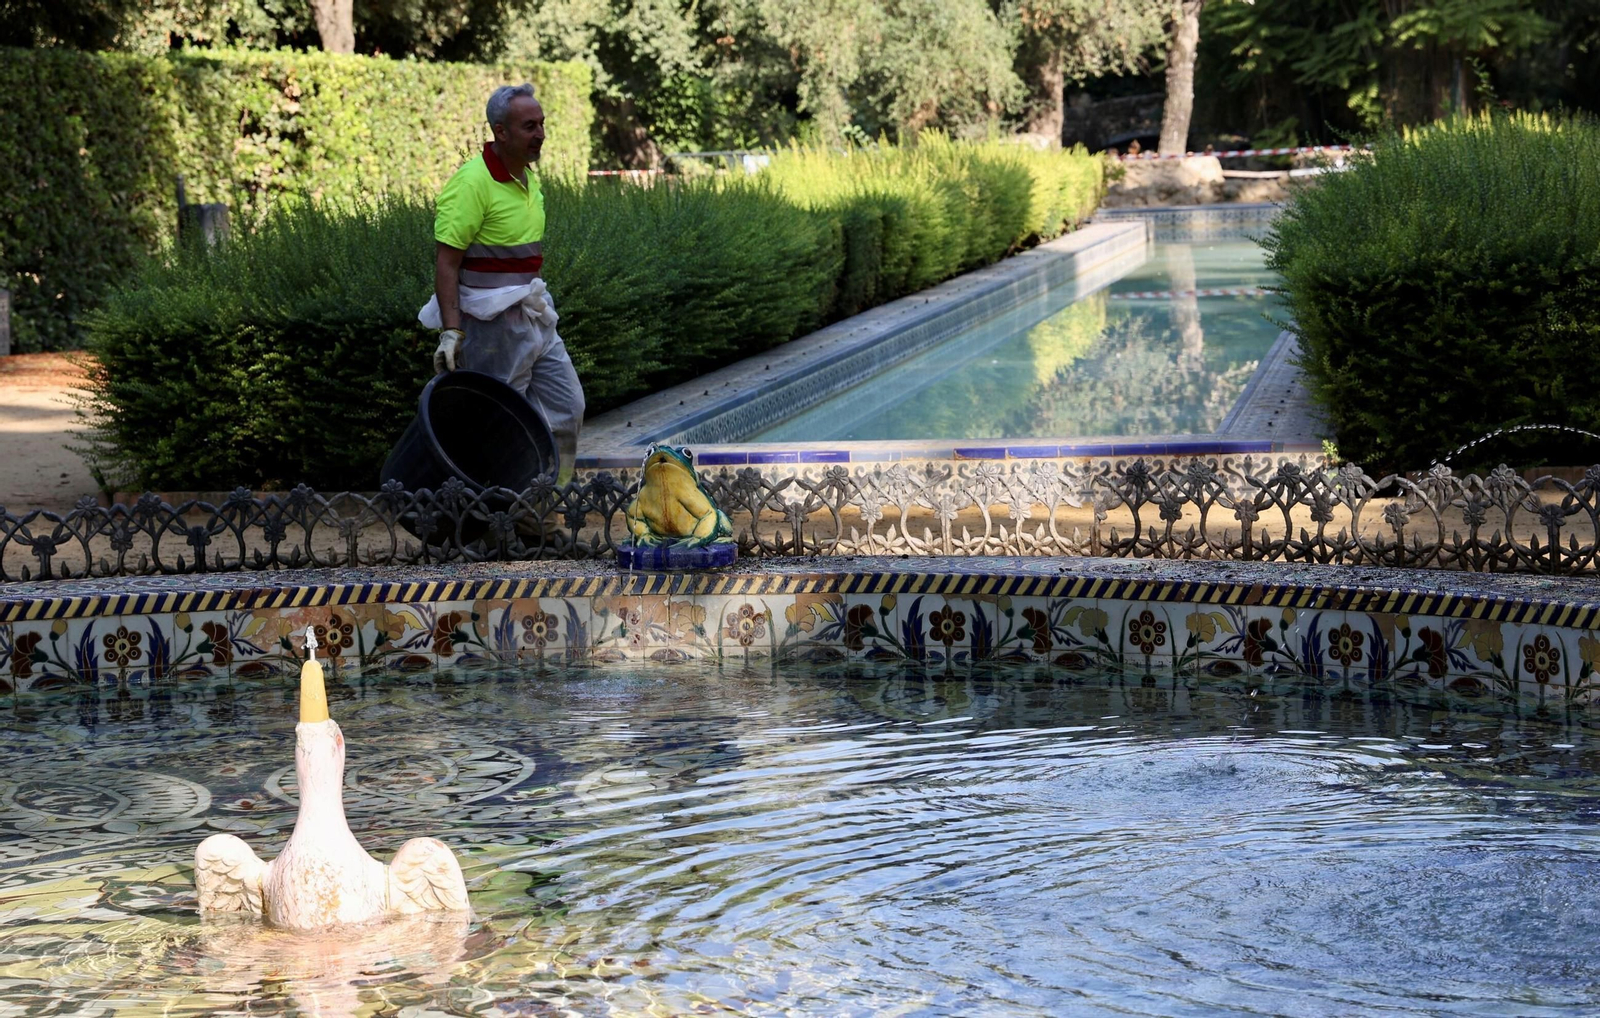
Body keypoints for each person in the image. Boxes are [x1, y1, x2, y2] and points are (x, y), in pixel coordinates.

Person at [420, 83, 585, 484]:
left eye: (542, 124)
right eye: (530, 126)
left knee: (567, 407)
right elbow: (447, 263)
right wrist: (452, 331)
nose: (541, 134)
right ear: (501, 132)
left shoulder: (527, 178)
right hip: (491, 328)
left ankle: (544, 508)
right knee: (499, 426)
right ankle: (498, 517)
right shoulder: (471, 183)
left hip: (533, 315)